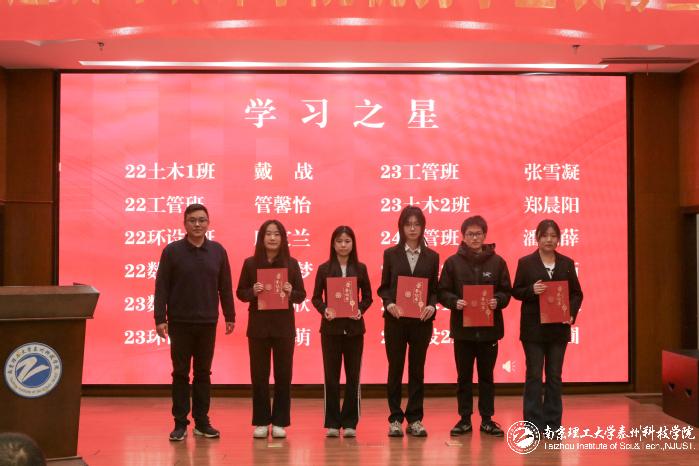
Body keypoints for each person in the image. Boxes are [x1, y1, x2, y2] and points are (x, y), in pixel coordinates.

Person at [154, 203, 235, 441]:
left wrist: (230, 315)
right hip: (179, 322)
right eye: (192, 220)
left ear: (208, 223)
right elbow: (161, 287)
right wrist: (160, 318)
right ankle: (180, 423)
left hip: (208, 322)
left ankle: (202, 421)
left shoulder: (218, 251)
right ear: (185, 224)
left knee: (203, 373)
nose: (197, 224)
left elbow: (225, 287)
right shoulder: (172, 251)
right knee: (180, 373)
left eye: (202, 220)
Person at [438, 215, 511, 437]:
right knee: (464, 377)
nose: (474, 238)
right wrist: (454, 302)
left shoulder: (498, 262)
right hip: (463, 332)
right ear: (463, 236)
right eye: (470, 234)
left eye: (478, 233)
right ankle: (464, 419)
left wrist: (497, 300)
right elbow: (442, 292)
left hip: (489, 332)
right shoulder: (452, 263)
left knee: (486, 377)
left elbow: (506, 291)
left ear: (485, 235)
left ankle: (487, 420)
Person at [237, 219, 307, 439]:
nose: (272, 238)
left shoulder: (291, 264)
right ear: (261, 238)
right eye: (268, 234)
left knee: (283, 375)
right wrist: (253, 291)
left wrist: (290, 291)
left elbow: (301, 295)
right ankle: (261, 421)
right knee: (259, 376)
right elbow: (240, 293)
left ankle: (279, 422)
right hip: (258, 328)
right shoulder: (250, 264)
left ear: (283, 238)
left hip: (284, 327)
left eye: (277, 234)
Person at [512, 219, 583, 434]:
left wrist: (571, 313)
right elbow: (516, 291)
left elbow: (577, 293)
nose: (549, 240)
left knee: (554, 376)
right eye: (545, 235)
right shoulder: (526, 263)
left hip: (558, 330)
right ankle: (533, 425)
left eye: (553, 236)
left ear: (559, 239)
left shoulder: (567, 263)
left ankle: (553, 424)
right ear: (537, 238)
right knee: (534, 375)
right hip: (533, 330)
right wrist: (531, 290)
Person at [377, 205, 439, 437]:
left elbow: (434, 289)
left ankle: (415, 419)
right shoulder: (391, 254)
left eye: (416, 224)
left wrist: (432, 305)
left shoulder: (432, 256)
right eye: (408, 224)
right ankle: (395, 418)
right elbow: (384, 287)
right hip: (396, 320)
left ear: (422, 227)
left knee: (417, 370)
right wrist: (389, 303)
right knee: (395, 369)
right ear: (401, 227)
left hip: (422, 321)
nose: (412, 228)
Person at [311, 226, 373, 438]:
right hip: (331, 330)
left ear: (353, 244)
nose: (343, 245)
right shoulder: (324, 269)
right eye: (339, 241)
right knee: (331, 377)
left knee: (353, 377)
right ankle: (332, 423)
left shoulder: (361, 268)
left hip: (355, 330)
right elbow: (316, 298)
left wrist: (360, 310)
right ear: (333, 244)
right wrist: (324, 310)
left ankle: (350, 423)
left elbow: (368, 297)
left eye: (347, 241)